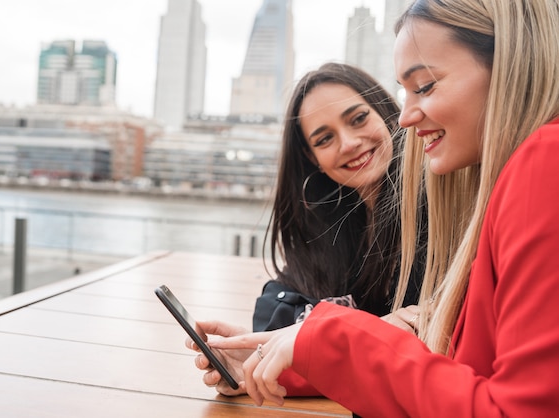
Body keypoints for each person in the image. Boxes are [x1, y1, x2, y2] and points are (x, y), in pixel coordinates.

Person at [199, 0, 559, 416]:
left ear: (510, 65)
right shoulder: (507, 179)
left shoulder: (541, 163)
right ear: (311, 163)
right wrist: (269, 356)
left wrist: (335, 337)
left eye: (424, 86)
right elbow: (457, 364)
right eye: (323, 139)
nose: (406, 115)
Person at [253, 62, 426, 332]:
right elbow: (276, 307)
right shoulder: (332, 221)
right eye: (324, 139)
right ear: (314, 159)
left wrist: (341, 331)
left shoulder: (429, 205)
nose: (348, 143)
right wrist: (367, 328)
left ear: (384, 112)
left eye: (358, 119)